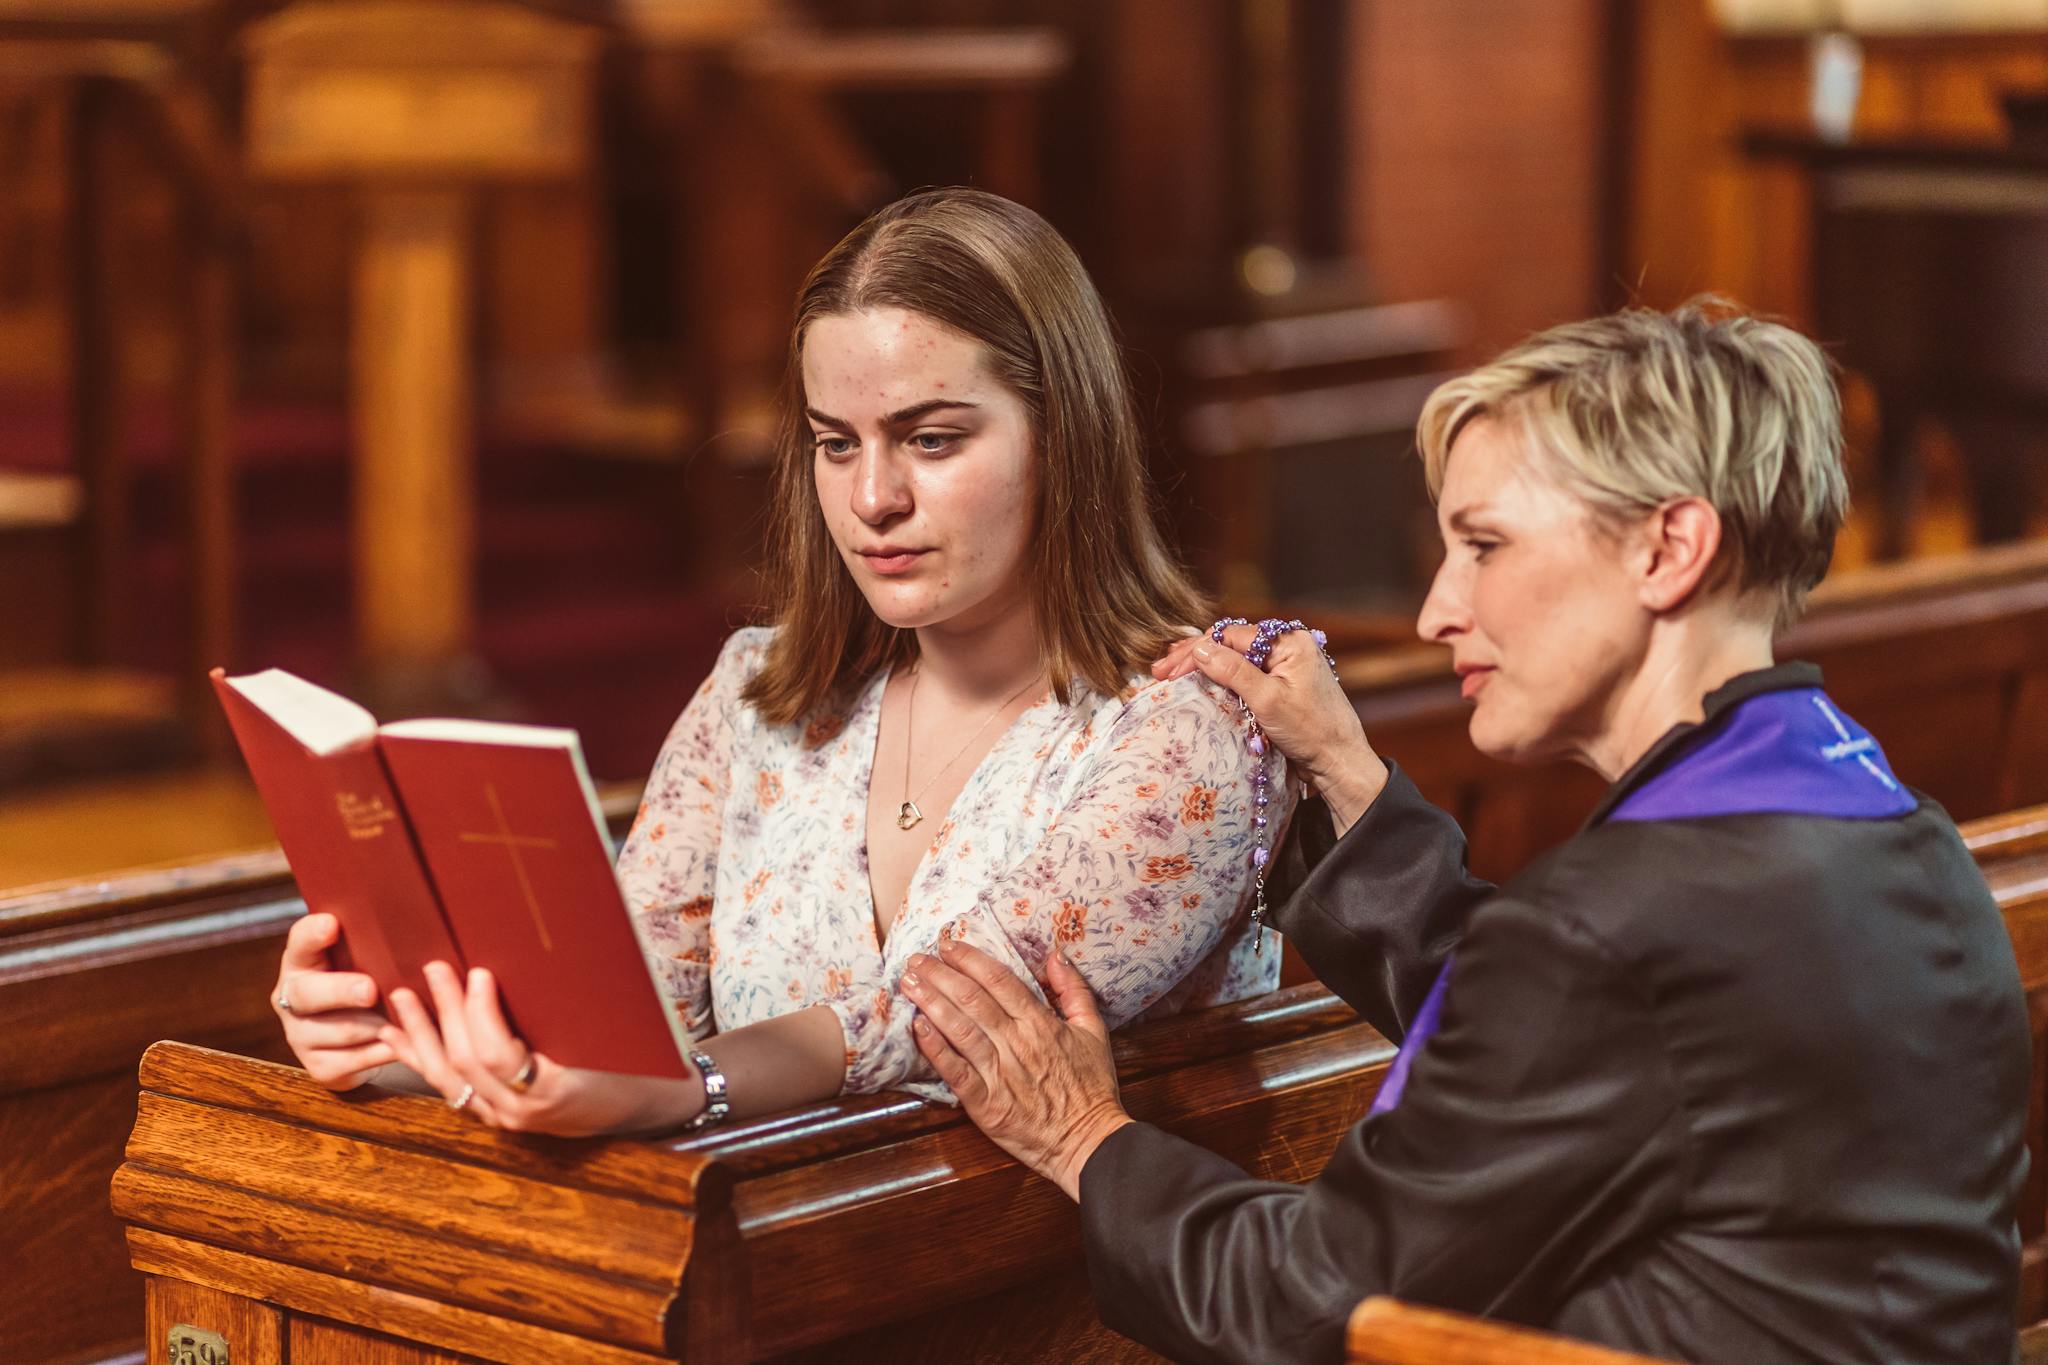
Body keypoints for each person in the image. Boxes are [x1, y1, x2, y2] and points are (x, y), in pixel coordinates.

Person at [905, 302, 2031, 1364]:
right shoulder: (1882, 826)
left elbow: (1317, 1304)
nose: (1437, 608)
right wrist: (1345, 776)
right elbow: (1571, 1045)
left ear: (1666, 550)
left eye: (1483, 545)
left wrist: (1082, 1139)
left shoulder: (1616, 932)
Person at [267, 187, 1291, 1136]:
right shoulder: (755, 697)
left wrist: (690, 1084)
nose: (870, 499)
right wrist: (396, 1039)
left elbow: (947, 1017)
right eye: (834, 444)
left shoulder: (1182, 730)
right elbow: (613, 1025)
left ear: (1065, 436)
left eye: (929, 440)